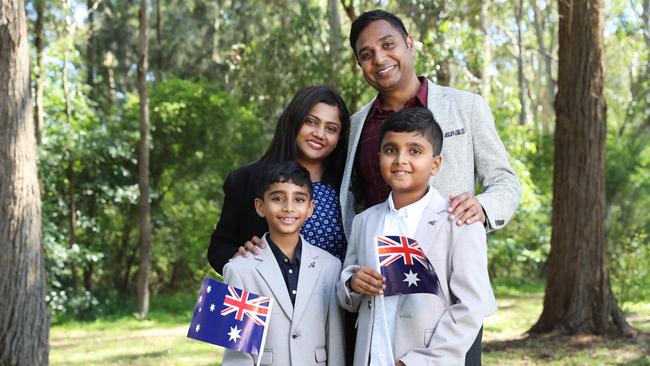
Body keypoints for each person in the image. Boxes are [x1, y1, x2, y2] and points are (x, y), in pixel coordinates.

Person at [340, 10, 521, 364]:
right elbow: (344, 200)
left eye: (388, 45)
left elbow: (505, 181)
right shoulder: (356, 125)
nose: (379, 58)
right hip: (375, 298)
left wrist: (483, 207)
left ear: (409, 44)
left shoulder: (464, 107)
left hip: (443, 300)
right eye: (366, 54)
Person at [337, 108, 496, 365]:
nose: (400, 159)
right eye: (391, 150)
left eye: (415, 151)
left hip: (424, 357)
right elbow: (347, 286)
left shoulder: (460, 223)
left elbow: (470, 307)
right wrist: (352, 282)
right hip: (373, 354)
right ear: (379, 158)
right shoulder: (364, 221)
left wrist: (420, 361)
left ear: (435, 164)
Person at [208, 86, 350, 275]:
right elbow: (219, 247)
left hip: (330, 299)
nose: (319, 134)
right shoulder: (246, 179)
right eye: (311, 122)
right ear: (294, 121)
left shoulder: (348, 187)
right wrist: (239, 257)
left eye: (331, 129)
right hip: (266, 298)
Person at [222, 161, 345, 366]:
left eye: (299, 199)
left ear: (310, 208)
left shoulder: (330, 266)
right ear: (260, 206)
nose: (288, 208)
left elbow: (335, 343)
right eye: (278, 198)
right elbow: (236, 356)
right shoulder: (238, 269)